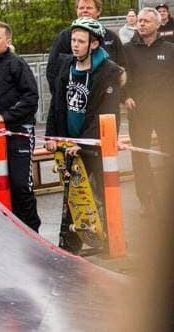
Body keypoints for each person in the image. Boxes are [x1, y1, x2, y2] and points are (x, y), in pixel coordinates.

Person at [44, 18, 125, 252]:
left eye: (81, 41)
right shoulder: (66, 66)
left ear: (94, 44)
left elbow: (107, 112)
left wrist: (85, 144)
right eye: (73, 40)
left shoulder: (108, 71)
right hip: (70, 140)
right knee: (74, 194)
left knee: (104, 192)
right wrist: (52, 136)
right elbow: (57, 104)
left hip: (94, 144)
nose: (75, 45)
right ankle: (70, 243)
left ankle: (113, 240)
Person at [0, 21, 41, 232]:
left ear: (8, 41)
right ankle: (13, 231)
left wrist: (4, 117)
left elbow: (31, 98)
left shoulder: (17, 64)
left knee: (20, 186)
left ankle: (33, 231)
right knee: (2, 185)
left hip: (19, 133)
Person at [122, 7, 174, 216]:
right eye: (139, 21)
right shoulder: (127, 49)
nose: (141, 24)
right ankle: (147, 200)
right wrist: (125, 96)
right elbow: (121, 76)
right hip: (139, 112)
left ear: (158, 25)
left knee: (169, 153)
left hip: (165, 111)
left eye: (146, 21)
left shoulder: (169, 49)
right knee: (140, 156)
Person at [46, 0, 125, 95]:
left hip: (105, 100)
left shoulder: (111, 37)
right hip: (74, 100)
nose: (84, 11)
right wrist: (60, 97)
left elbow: (122, 66)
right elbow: (52, 70)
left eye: (89, 8)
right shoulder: (64, 37)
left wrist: (119, 95)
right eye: (81, 8)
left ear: (98, 11)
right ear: (76, 11)